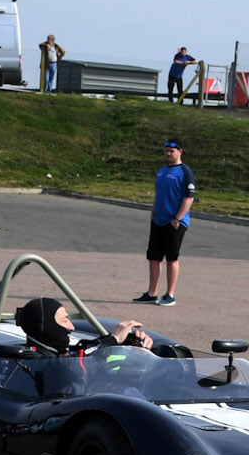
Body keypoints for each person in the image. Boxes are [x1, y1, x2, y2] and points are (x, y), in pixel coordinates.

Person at [137, 139, 195, 306]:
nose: (168, 154)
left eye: (172, 151)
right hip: (158, 220)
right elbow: (158, 194)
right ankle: (151, 293)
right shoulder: (162, 171)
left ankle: (170, 295)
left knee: (171, 258)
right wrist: (153, 212)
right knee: (154, 257)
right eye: (166, 151)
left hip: (174, 222)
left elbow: (188, 198)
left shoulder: (185, 172)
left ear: (180, 152)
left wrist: (177, 218)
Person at [14, 297, 153, 354]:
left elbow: (82, 350)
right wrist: (113, 340)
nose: (71, 327)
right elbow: (79, 358)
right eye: (64, 321)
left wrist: (131, 346)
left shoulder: (60, 353)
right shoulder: (33, 360)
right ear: (45, 326)